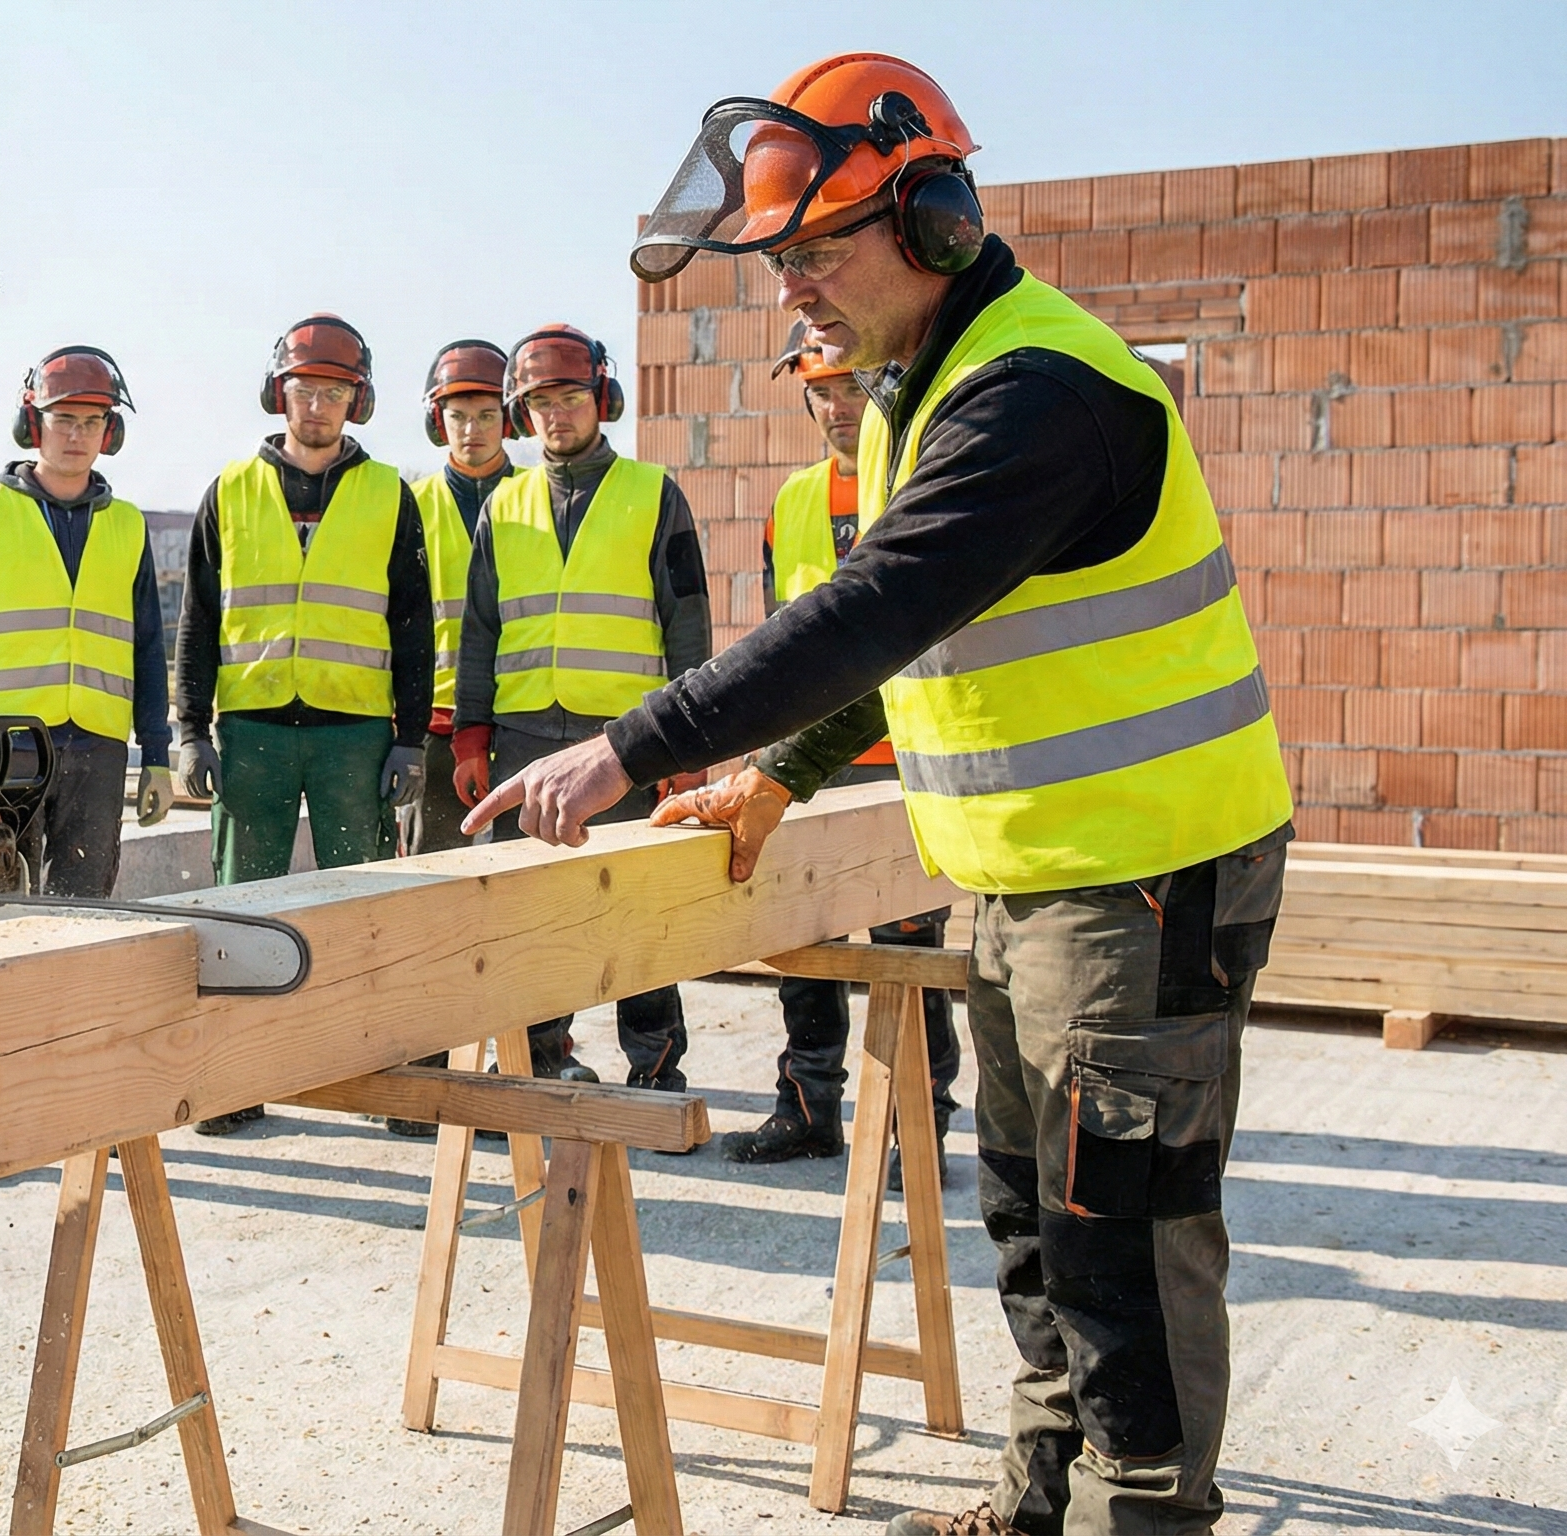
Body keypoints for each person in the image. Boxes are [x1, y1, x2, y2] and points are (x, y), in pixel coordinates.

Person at [477, 52, 1296, 1536]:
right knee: (1030, 1220)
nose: (792, 286)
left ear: (935, 218)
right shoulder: (913, 396)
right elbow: (914, 633)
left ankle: (1148, 1518)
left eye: (818, 249)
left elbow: (865, 613)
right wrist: (777, 780)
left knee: (1123, 1238)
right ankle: (1041, 1494)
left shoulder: (1039, 393)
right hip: (1025, 874)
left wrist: (630, 748)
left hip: (1147, 879)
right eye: (780, 258)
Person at [173, 314, 436, 1133]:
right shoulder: (230, 490)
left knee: (361, 908)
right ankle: (235, 1080)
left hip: (354, 737)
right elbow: (196, 621)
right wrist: (189, 731)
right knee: (239, 911)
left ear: (356, 401)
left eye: (333, 391)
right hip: (249, 734)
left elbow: (413, 626)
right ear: (277, 392)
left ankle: (376, 1070)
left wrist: (409, 737)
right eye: (303, 389)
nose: (316, 405)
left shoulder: (389, 493)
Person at [723, 324, 964, 1188]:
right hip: (807, 764)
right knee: (801, 937)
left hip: (907, 755)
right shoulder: (791, 502)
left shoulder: (921, 479)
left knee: (910, 953)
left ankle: (921, 1123)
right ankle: (807, 1105)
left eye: (849, 386)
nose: (836, 406)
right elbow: (779, 639)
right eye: (820, 391)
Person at [451, 324, 711, 1093]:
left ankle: (657, 1069)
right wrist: (471, 737)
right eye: (538, 404)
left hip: (627, 743)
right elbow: (479, 632)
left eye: (569, 399)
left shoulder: (654, 494)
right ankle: (538, 1063)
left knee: (637, 912)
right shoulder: (504, 505)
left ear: (601, 399)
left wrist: (689, 745)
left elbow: (687, 623)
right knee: (531, 914)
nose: (555, 417)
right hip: (525, 735)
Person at [0, 346, 173, 897]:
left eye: (92, 422)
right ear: (33, 423)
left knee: (85, 901)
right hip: (3, 746)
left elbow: (148, 648)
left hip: (99, 746)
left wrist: (157, 756)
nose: (77, 435)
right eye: (63, 419)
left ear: (108, 433)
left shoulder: (129, 526)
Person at [404, 338, 514, 860]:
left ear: (508, 418)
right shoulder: (410, 505)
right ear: (437, 422)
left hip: (521, 713)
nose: (472, 431)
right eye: (458, 416)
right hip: (436, 719)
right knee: (436, 865)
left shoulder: (542, 499)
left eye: (487, 415)